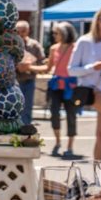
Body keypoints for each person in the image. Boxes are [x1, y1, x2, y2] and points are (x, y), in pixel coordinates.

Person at [25, 21, 79, 157]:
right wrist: (30, 67)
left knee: (71, 116)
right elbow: (47, 68)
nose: (54, 35)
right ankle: (58, 142)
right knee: (54, 114)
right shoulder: (54, 48)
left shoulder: (76, 48)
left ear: (65, 33)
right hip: (56, 85)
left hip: (71, 86)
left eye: (57, 33)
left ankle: (70, 146)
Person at [69, 8, 101, 160]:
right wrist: (93, 67)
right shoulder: (85, 42)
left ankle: (98, 171)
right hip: (93, 91)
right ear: (97, 21)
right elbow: (71, 70)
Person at [14, 19, 46, 125]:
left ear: (28, 31)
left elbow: (44, 66)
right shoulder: (11, 44)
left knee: (27, 109)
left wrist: (29, 67)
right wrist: (17, 67)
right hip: (14, 82)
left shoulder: (35, 45)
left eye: (22, 31)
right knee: (14, 108)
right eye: (17, 31)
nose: (20, 34)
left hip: (29, 81)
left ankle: (26, 132)